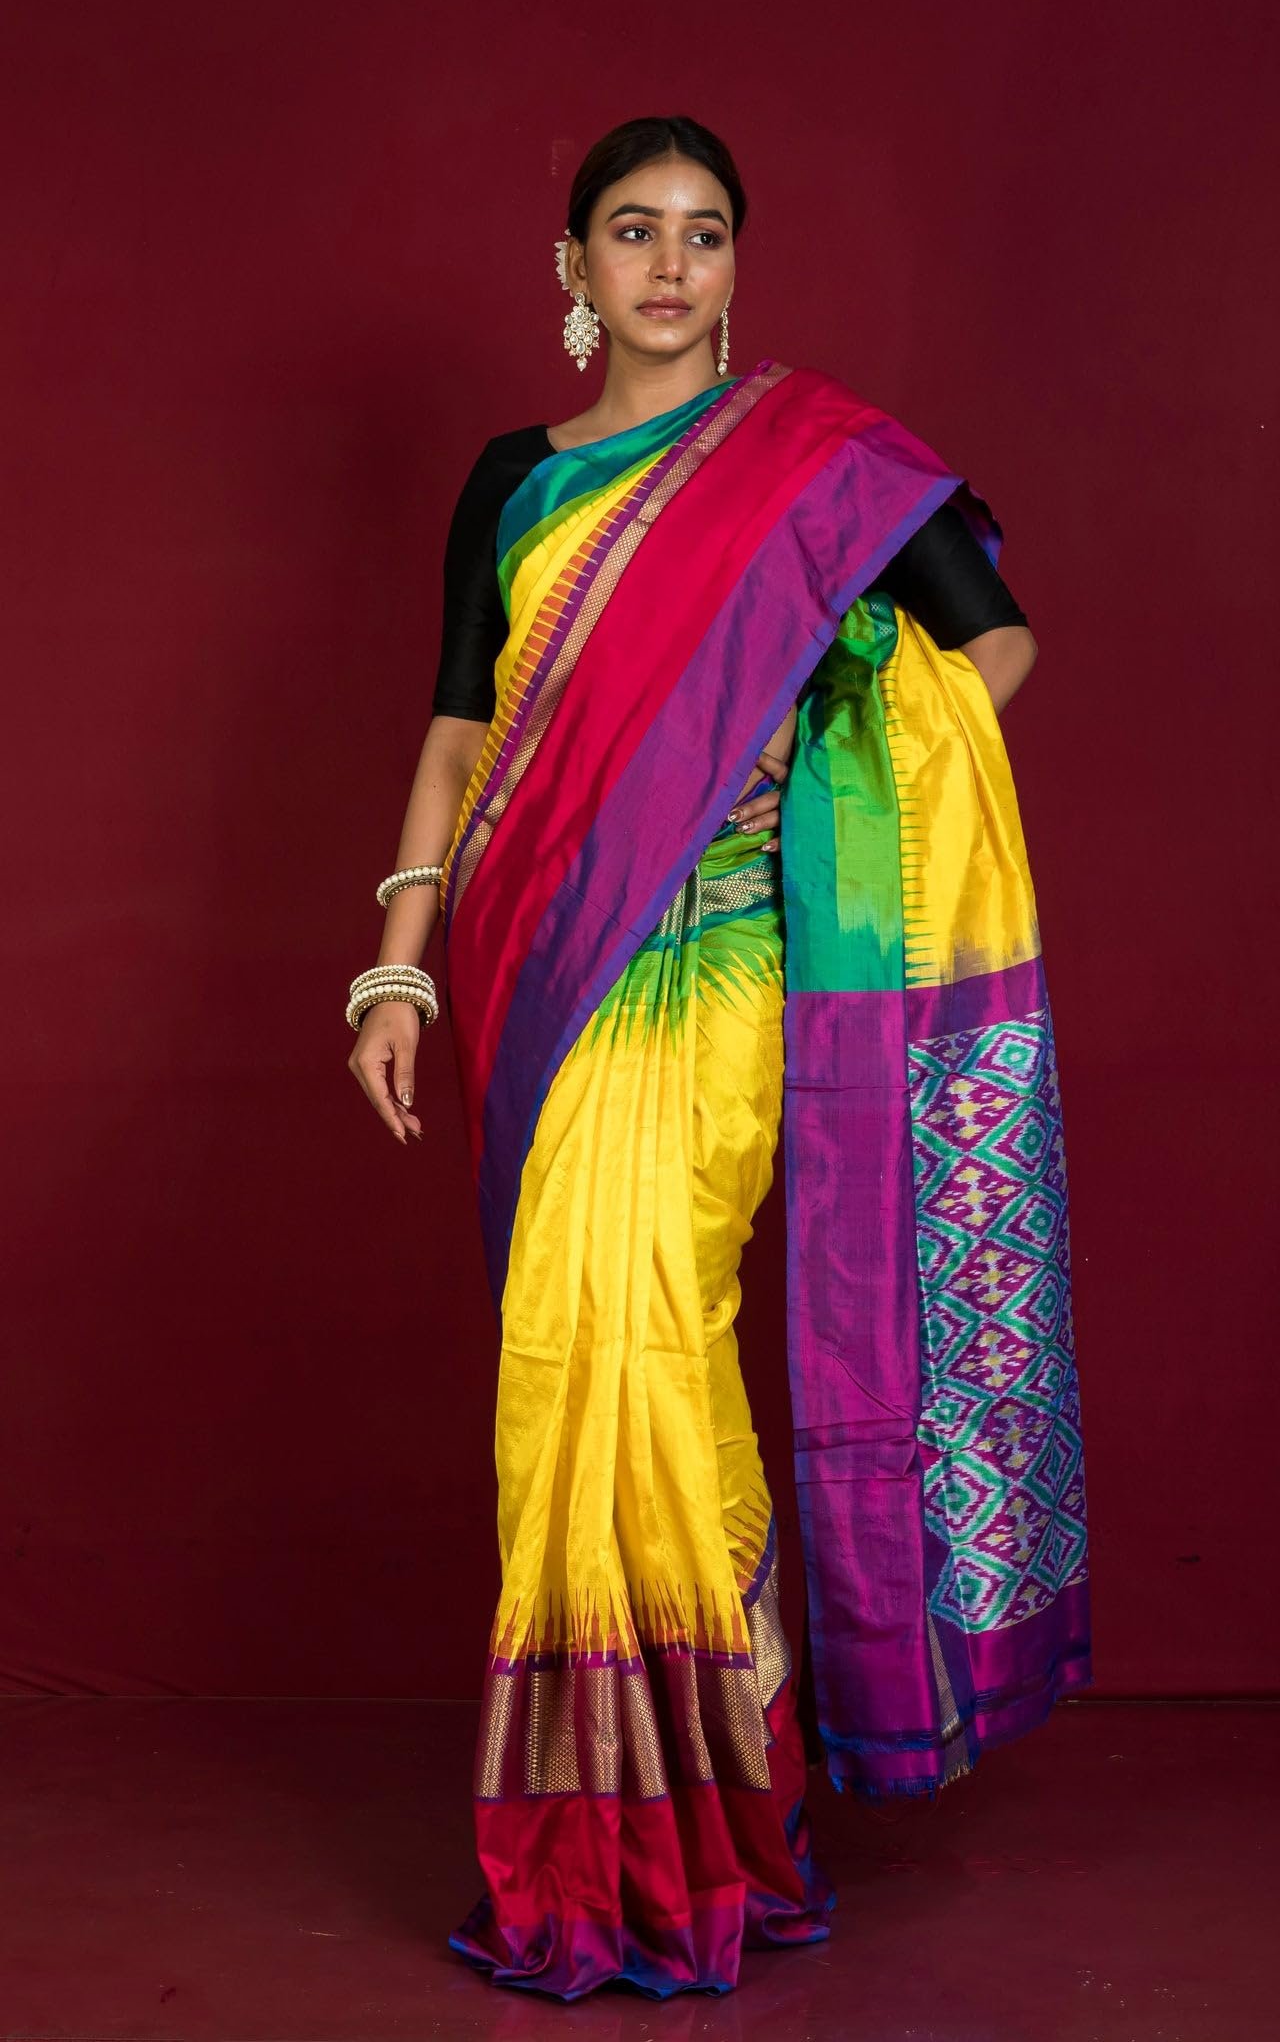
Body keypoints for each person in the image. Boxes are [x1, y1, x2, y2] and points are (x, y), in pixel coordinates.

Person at [346, 114, 1092, 2003]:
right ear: (572, 268)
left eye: (701, 233)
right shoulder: (516, 480)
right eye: (632, 230)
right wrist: (397, 968)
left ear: (738, 262)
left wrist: (821, 730)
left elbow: (993, 653)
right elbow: (458, 733)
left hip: (732, 965)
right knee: (563, 1349)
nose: (669, 265)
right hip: (545, 962)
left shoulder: (822, 472)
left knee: (656, 1333)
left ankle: (711, 1814)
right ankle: (588, 1824)